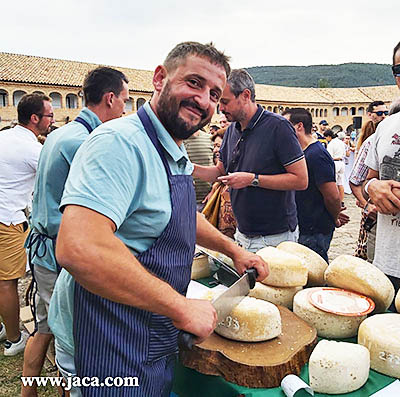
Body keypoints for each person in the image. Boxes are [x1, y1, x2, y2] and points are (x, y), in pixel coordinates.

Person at [47, 42, 268, 397]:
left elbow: (176, 215)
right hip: (104, 340)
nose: (204, 100)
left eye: (214, 93)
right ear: (159, 78)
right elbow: (79, 248)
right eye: (194, 83)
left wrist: (233, 250)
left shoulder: (172, 147)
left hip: (145, 328)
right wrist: (180, 307)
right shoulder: (119, 143)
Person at [21, 67, 129, 397]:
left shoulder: (60, 134)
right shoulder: (86, 142)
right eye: (124, 101)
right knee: (71, 342)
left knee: (44, 328)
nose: (125, 109)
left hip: (43, 250)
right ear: (110, 99)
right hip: (59, 255)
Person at [193, 69, 308, 252]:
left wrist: (252, 179)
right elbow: (220, 172)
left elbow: (301, 180)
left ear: (246, 95)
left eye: (225, 101)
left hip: (274, 237)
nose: (220, 109)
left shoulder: (278, 127)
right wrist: (188, 167)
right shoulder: (231, 130)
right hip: (242, 234)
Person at [0, 93, 53, 356]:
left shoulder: (4, 136)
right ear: (35, 119)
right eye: (49, 116)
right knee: (7, 282)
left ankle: (4, 326)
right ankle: (14, 338)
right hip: (7, 218)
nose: (52, 121)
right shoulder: (34, 150)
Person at [282, 108, 349, 262]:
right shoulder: (303, 152)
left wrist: (334, 217)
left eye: (285, 125)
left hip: (314, 229)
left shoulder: (317, 154)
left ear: (299, 126)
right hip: (305, 226)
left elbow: (331, 196)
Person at [364, 41, 400, 308]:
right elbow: (369, 180)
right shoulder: (386, 126)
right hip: (387, 264)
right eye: (399, 69)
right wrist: (372, 188)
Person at [184, 129, 214, 210]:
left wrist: (213, 191)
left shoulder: (210, 139)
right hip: (182, 202)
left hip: (207, 201)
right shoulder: (174, 141)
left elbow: (220, 168)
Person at [325, 129, 346, 206]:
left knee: (334, 183)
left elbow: (329, 156)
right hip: (341, 162)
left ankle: (335, 201)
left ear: (329, 136)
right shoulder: (341, 142)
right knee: (340, 183)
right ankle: (341, 200)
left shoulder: (331, 144)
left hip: (335, 163)